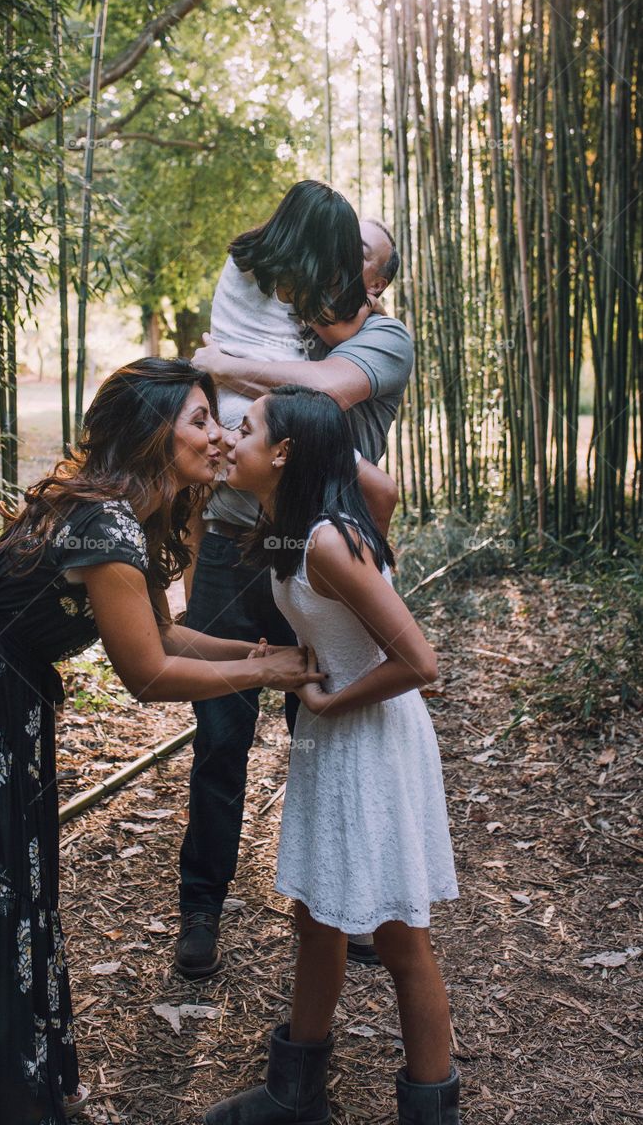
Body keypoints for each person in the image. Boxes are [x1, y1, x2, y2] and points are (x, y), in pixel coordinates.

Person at [0, 358, 322, 1125]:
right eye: (199, 420)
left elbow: (164, 629)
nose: (218, 435)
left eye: (216, 420)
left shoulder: (119, 507)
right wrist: (271, 669)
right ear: (152, 433)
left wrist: (263, 660)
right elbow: (150, 675)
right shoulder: (106, 522)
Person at [205, 385, 460, 1125]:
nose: (230, 437)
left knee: (397, 935)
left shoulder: (324, 539)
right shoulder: (291, 524)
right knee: (315, 914)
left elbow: (418, 661)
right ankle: (295, 1092)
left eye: (243, 428)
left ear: (282, 453)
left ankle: (430, 1112)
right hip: (337, 737)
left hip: (368, 739)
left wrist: (322, 699)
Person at [175, 183, 412, 979]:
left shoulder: (382, 342)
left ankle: (347, 906)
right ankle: (200, 908)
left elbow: (321, 398)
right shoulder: (284, 311)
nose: (331, 276)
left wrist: (228, 363)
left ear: (370, 283)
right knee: (219, 732)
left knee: (323, 732)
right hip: (235, 544)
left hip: (315, 557)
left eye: (353, 263)